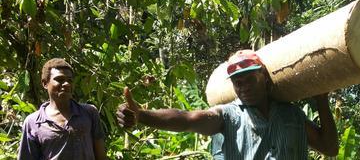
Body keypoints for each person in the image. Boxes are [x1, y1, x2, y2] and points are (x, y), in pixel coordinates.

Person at [116, 50, 338, 159]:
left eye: (249, 79)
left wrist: (321, 99)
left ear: (264, 76)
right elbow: (187, 120)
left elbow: (330, 148)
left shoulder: (292, 115)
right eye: (237, 82)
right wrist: (142, 115)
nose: (243, 87)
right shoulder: (228, 117)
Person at [18, 58, 107, 160]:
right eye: (60, 79)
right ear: (45, 83)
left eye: (69, 80)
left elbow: (101, 155)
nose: (67, 84)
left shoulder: (89, 113)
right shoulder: (33, 122)